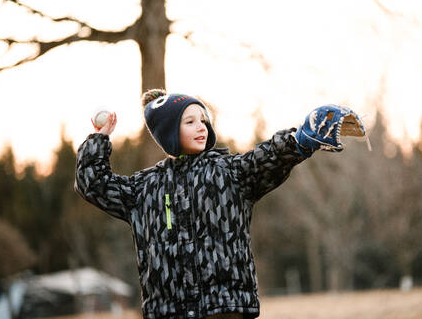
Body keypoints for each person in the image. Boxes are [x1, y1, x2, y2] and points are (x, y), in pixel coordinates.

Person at [74, 89, 366, 319]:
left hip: (225, 309)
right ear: (167, 132)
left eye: (203, 120)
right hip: (168, 311)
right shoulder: (144, 189)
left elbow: (266, 160)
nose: (201, 128)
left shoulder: (230, 172)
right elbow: (94, 185)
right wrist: (98, 142)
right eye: (189, 122)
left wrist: (299, 141)